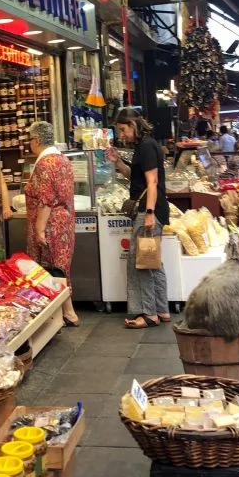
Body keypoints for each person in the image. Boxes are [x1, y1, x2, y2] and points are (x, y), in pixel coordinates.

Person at [106, 108, 169, 329]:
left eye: (123, 129)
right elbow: (137, 177)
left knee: (139, 263)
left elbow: (152, 183)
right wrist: (118, 162)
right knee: (152, 261)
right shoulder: (144, 147)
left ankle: (147, 313)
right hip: (151, 209)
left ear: (133, 124)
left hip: (148, 210)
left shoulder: (146, 146)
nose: (121, 135)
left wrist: (149, 213)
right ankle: (161, 309)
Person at [24, 121, 78, 325]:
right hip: (65, 222)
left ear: (37, 141)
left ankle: (66, 312)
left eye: (30, 140)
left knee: (49, 269)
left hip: (50, 224)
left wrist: (39, 231)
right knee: (61, 266)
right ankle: (65, 311)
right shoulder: (62, 159)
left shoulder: (45, 164)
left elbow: (46, 201)